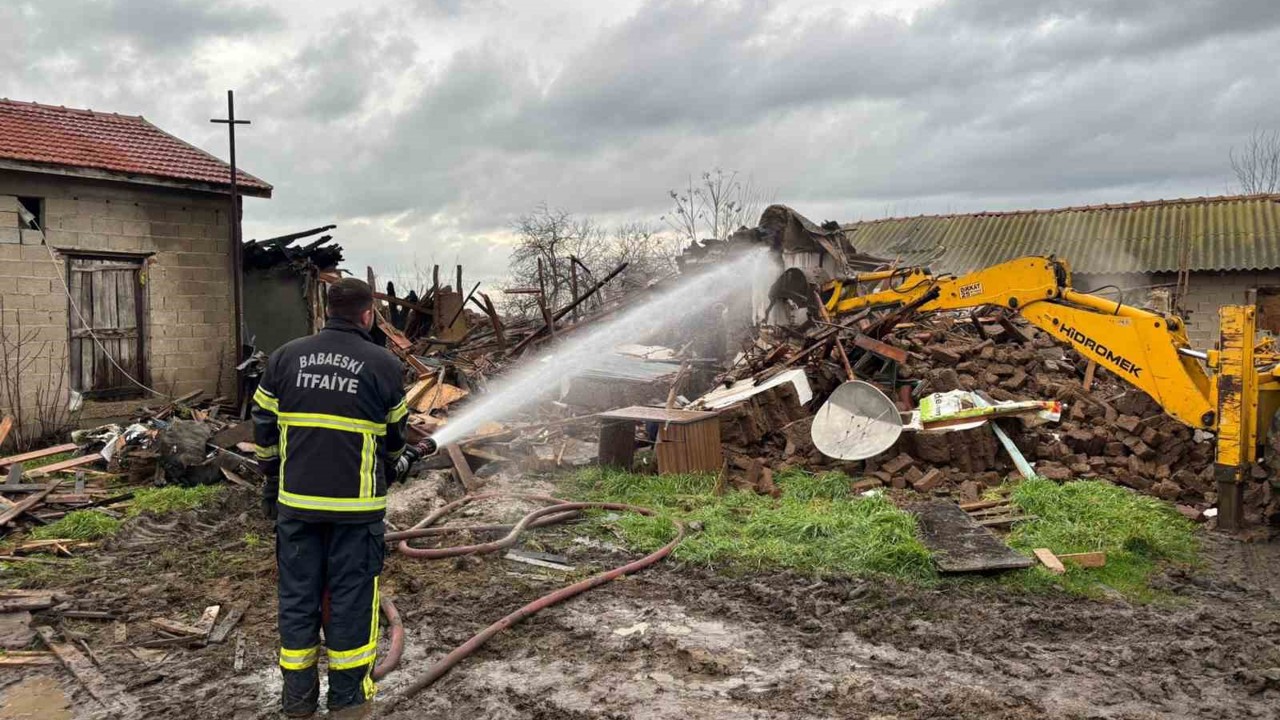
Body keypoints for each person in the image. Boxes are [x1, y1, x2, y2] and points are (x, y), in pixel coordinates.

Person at [252, 278, 408, 717]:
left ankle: (298, 703)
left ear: (325, 311)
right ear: (367, 314)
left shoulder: (285, 357)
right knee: (353, 606)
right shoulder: (383, 364)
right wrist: (394, 462)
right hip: (356, 515)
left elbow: (262, 424)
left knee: (298, 600)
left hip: (297, 508)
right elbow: (395, 438)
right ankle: (348, 703)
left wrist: (271, 478)